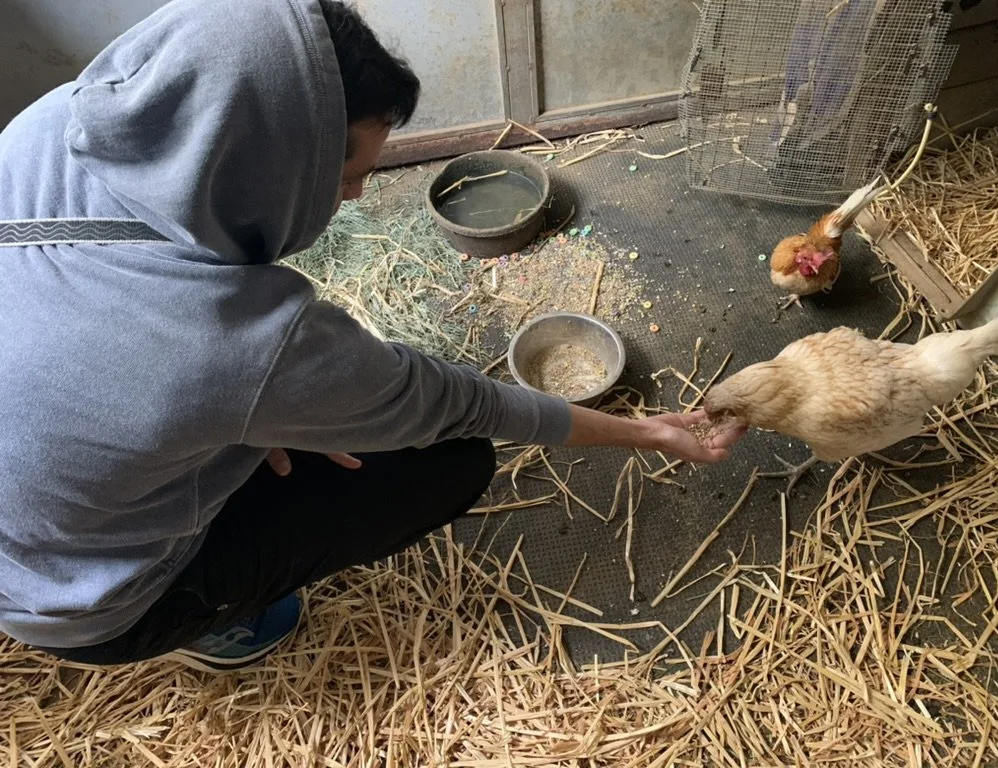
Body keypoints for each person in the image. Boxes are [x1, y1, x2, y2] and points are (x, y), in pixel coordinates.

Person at [0, 0, 746, 673]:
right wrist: (648, 433)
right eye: (346, 172)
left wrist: (251, 408)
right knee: (451, 464)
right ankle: (213, 623)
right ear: (268, 166)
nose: (358, 193)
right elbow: (464, 406)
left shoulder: (48, 123)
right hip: (83, 602)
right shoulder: (236, 336)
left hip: (32, 513)